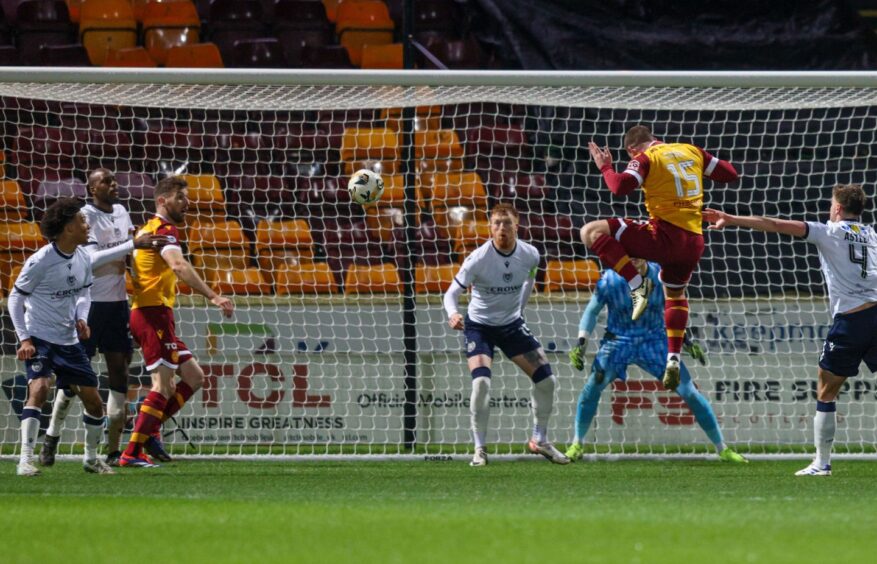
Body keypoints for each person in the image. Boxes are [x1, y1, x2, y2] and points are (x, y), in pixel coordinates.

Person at [703, 184, 877, 476]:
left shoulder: (829, 231)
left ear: (837, 208)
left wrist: (731, 218)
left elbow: (774, 224)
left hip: (853, 320)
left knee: (826, 388)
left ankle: (822, 463)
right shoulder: (872, 235)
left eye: (830, 205)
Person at [580, 125, 739, 391]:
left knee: (590, 231)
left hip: (664, 237)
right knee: (674, 295)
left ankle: (635, 285)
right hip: (694, 243)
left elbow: (619, 187)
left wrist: (606, 167)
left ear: (632, 149)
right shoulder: (691, 150)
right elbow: (731, 174)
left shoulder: (645, 158)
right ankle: (674, 359)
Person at [39, 169, 165, 468]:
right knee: (72, 380)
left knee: (120, 373)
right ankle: (52, 436)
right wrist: (132, 245)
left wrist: (136, 261)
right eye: (105, 181)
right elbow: (91, 259)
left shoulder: (121, 211)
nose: (113, 184)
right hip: (89, 304)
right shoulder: (84, 216)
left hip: (118, 304)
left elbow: (127, 252)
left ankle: (113, 449)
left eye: (113, 180)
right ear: (92, 188)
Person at [564, 258, 747, 463]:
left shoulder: (663, 276)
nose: (633, 258)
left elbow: (673, 310)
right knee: (592, 387)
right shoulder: (610, 280)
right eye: (628, 253)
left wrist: (686, 341)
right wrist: (581, 343)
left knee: (690, 392)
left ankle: (723, 449)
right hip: (618, 341)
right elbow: (591, 311)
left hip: (654, 340)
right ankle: (577, 443)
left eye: (638, 252)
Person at [9, 198, 141, 475]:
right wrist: (24, 339)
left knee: (94, 402)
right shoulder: (41, 261)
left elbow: (84, 292)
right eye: (82, 221)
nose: (87, 225)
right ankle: (25, 460)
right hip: (40, 337)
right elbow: (14, 298)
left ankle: (91, 459)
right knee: (40, 388)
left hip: (69, 341)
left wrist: (82, 317)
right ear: (68, 228)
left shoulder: (82, 257)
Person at [120, 175, 234, 468]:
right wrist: (213, 295)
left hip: (153, 312)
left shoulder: (148, 229)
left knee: (195, 377)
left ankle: (151, 429)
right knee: (162, 386)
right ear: (163, 200)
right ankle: (132, 451)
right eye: (181, 197)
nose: (188, 203)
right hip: (151, 313)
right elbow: (179, 265)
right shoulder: (164, 231)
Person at [443, 203, 569, 467]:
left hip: (512, 325)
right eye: (497, 223)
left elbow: (530, 279)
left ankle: (540, 440)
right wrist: (453, 314)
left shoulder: (530, 254)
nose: (502, 228)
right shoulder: (478, 259)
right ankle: (480, 449)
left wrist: (519, 310)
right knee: (481, 384)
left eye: (507, 223)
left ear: (517, 225)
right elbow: (451, 294)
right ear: (490, 227)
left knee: (548, 382)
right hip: (480, 327)